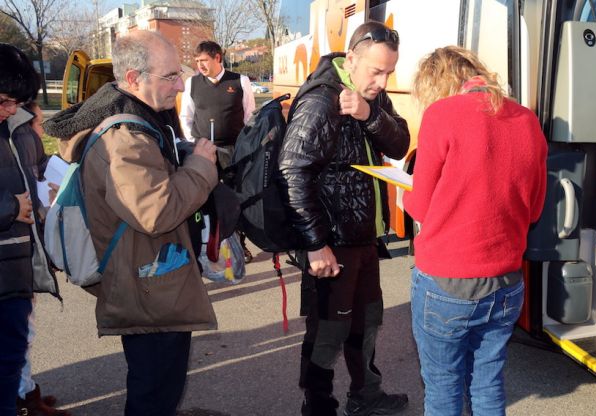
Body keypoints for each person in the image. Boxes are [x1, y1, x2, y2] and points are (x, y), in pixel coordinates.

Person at [44, 30, 219, 416]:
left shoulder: (133, 121)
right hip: (148, 284)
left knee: (155, 385)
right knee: (155, 391)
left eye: (179, 75)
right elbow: (156, 212)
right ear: (133, 79)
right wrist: (202, 168)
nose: (178, 87)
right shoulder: (126, 137)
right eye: (169, 77)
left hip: (147, 276)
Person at [404, 46, 548, 416]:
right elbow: (534, 210)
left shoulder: (442, 115)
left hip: (446, 283)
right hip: (506, 283)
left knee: (443, 390)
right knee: (487, 383)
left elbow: (419, 207)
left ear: (438, 84)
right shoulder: (527, 120)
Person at [278, 21, 410, 416]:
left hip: (365, 237)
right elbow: (292, 171)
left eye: (389, 72)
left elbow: (400, 142)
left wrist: (370, 113)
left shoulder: (371, 96)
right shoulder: (322, 100)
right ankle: (318, 407)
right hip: (332, 242)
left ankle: (365, 395)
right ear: (350, 58)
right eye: (376, 71)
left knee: (367, 322)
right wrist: (316, 245)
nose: (383, 82)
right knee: (327, 332)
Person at [0, 43, 61, 416]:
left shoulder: (23, 130)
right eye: (5, 100)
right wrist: (9, 207)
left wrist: (56, 181)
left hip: (17, 271)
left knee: (9, 367)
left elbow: (38, 173)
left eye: (17, 102)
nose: (10, 110)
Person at [179, 40, 257, 262]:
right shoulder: (192, 84)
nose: (200, 66)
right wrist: (194, 144)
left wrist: (245, 145)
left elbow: (249, 116)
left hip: (234, 152)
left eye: (203, 61)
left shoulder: (240, 81)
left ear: (218, 58)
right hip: (204, 152)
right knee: (207, 199)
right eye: (196, 62)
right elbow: (186, 117)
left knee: (236, 199)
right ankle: (209, 245)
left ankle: (239, 246)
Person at [14, 101, 69, 416]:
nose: (40, 131)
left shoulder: (28, 150)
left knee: (24, 328)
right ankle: (23, 397)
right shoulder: (17, 146)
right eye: (37, 125)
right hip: (17, 254)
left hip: (26, 251)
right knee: (20, 329)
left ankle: (25, 391)